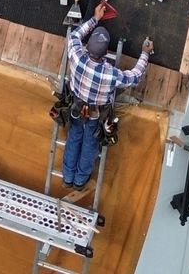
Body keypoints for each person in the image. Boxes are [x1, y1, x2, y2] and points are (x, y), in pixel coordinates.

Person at [59, 12, 152, 201]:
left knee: (74, 139)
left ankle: (68, 177)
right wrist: (145, 53)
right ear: (105, 54)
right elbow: (134, 76)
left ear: (88, 47)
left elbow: (75, 36)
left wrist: (95, 18)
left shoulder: (77, 58)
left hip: (77, 110)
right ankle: (80, 180)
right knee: (90, 146)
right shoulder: (111, 74)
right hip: (95, 115)